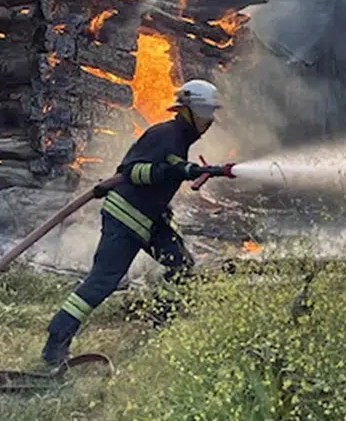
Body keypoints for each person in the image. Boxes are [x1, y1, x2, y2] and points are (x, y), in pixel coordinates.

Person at [41, 79, 228, 367]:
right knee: (102, 282)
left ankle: (159, 323)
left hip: (151, 220)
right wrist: (173, 171)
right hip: (125, 218)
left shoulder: (180, 140)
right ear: (188, 110)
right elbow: (131, 171)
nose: (210, 119)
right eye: (206, 111)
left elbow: (166, 172)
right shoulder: (164, 134)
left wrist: (180, 171)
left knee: (181, 266)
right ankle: (56, 343)